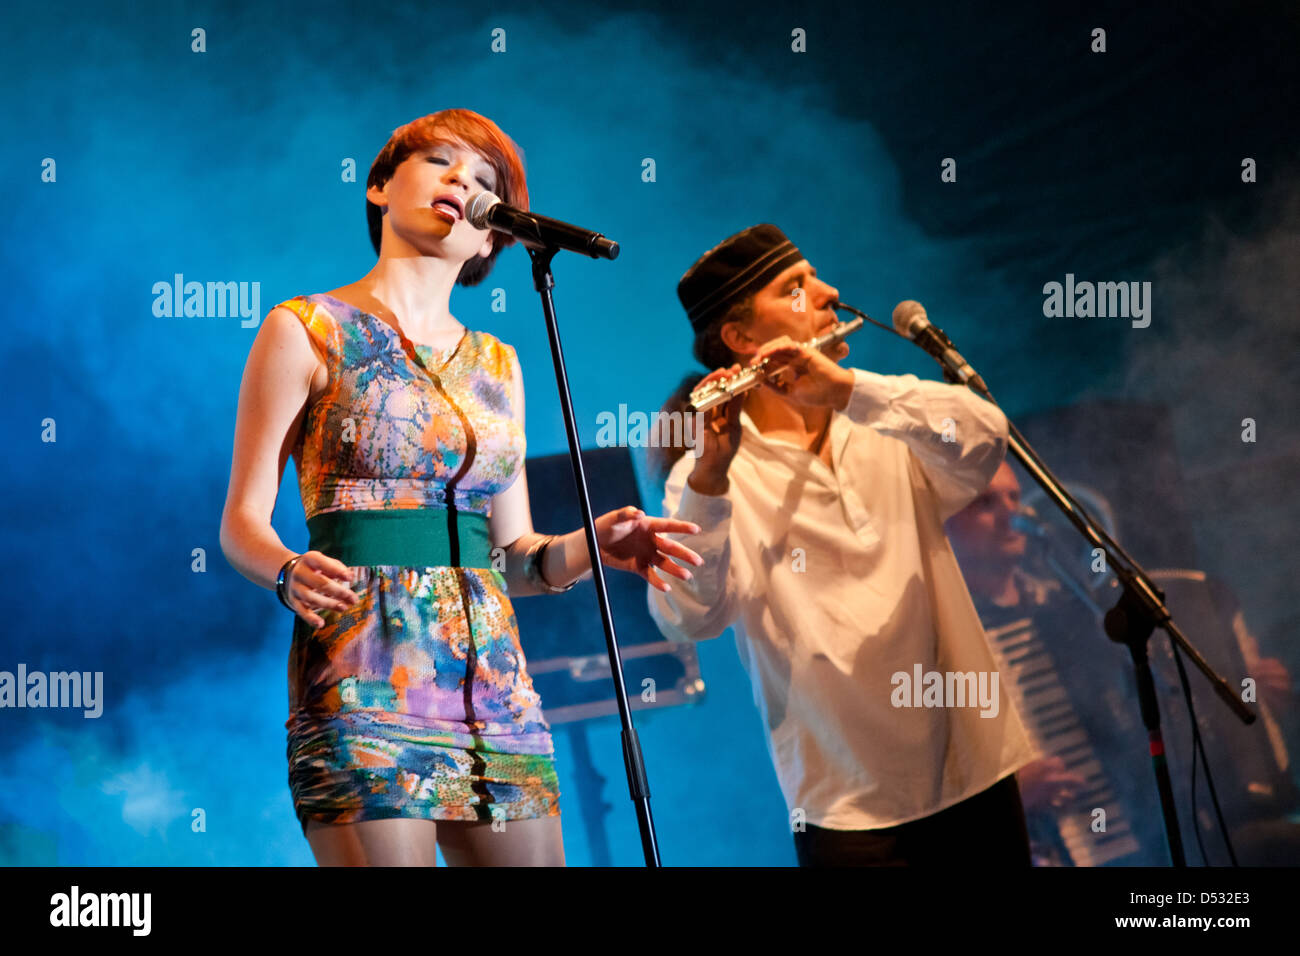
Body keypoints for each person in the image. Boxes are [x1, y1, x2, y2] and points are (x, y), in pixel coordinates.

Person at [219, 109, 702, 867]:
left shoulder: (499, 362)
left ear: (491, 236)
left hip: (495, 682)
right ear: (380, 187)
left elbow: (515, 556)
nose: (461, 183)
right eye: (441, 163)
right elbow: (241, 519)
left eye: (484, 182)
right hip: (363, 674)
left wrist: (594, 546)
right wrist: (284, 569)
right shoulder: (306, 328)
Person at [646, 223, 1038, 866]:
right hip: (846, 807)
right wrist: (709, 483)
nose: (829, 293)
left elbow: (986, 437)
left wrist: (850, 391)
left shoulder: (882, 417)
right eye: (795, 289)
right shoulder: (709, 474)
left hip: (974, 769)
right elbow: (688, 618)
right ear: (741, 340)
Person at [946, 459, 1298, 865]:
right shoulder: (946, 641)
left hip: (1163, 831)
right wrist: (1007, 799)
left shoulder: (1075, 605)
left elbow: (1150, 708)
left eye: (1013, 496)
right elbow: (915, 793)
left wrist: (1243, 692)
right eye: (984, 503)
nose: (1013, 512)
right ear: (942, 522)